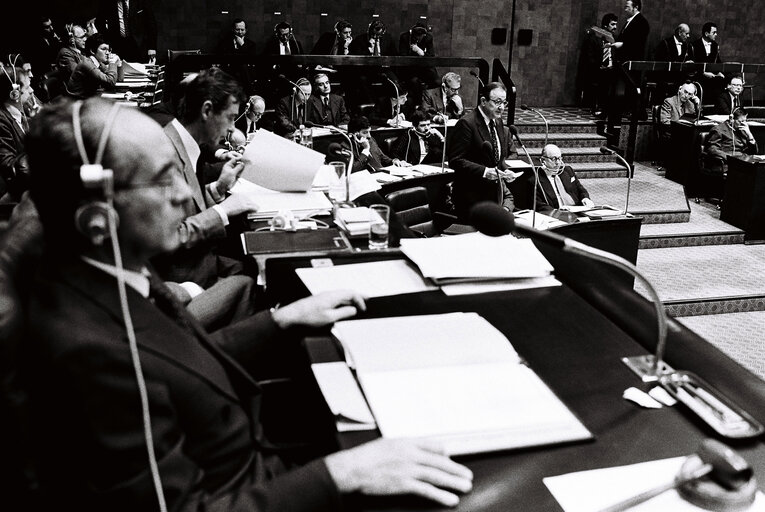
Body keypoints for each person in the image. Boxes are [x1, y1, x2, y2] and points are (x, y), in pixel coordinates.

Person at [19, 96, 473, 511]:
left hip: (256, 467)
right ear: (98, 220)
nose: (183, 194)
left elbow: (180, 365)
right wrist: (341, 474)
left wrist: (279, 321)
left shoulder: (111, 269)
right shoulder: (87, 355)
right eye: (162, 180)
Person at [447, 82, 518, 219]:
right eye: (497, 102)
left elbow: (496, 157)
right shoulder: (467, 123)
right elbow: (455, 160)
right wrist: (485, 172)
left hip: (495, 196)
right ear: (483, 101)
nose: (501, 107)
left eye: (504, 102)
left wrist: (505, 170)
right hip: (472, 197)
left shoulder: (497, 122)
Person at [0, 65, 33, 201]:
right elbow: (8, 165)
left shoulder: (20, 114)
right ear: (15, 94)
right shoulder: (1, 122)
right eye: (27, 88)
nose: (32, 90)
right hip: (16, 194)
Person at [577, 13, 618, 115]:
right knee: (602, 77)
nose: (615, 27)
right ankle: (598, 106)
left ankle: (611, 109)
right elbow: (589, 57)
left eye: (616, 24)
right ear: (605, 26)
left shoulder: (615, 39)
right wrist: (599, 66)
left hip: (612, 69)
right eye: (613, 24)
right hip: (597, 69)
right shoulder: (594, 38)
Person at [535, 144, 594, 211]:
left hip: (577, 210)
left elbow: (580, 189)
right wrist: (557, 212)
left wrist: (585, 199)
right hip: (556, 214)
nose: (557, 163)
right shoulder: (536, 179)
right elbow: (539, 205)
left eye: (559, 158)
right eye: (553, 159)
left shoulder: (568, 171)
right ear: (543, 161)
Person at [340, 115, 408, 173]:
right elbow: (353, 169)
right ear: (353, 134)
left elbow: (382, 157)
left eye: (369, 132)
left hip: (382, 176)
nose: (369, 136)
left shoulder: (370, 140)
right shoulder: (345, 147)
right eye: (365, 132)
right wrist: (366, 150)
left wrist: (393, 161)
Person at [66, 33, 124, 99]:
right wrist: (112, 63)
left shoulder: (99, 63)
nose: (107, 53)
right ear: (92, 51)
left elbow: (119, 79)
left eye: (109, 50)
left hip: (87, 101)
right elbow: (110, 82)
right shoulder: (87, 64)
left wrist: (119, 64)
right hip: (76, 104)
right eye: (103, 49)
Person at [691, 22, 725, 98]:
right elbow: (693, 64)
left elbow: (718, 61)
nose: (716, 34)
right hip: (699, 75)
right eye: (714, 32)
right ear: (706, 33)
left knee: (725, 79)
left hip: (713, 75)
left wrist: (719, 72)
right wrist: (704, 73)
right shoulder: (694, 45)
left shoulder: (715, 45)